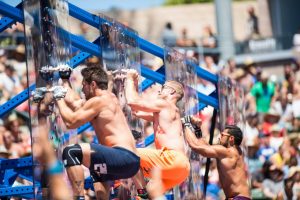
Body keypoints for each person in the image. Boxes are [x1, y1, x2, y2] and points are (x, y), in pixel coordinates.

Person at [53, 65, 141, 199]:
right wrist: (65, 80)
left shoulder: (99, 101)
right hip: (130, 163)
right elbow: (75, 103)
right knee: (95, 167)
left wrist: (58, 98)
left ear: (92, 84)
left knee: (71, 152)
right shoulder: (107, 98)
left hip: (122, 157)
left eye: (84, 85)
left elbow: (70, 122)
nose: (82, 89)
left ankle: (79, 197)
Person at [124, 69, 190, 194]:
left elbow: (132, 102)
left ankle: (140, 194)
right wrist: (135, 84)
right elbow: (136, 111)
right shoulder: (166, 111)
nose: (160, 90)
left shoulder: (164, 104)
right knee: (152, 194)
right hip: (182, 169)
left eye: (163, 87)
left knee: (127, 153)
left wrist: (129, 79)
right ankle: (143, 194)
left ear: (171, 91)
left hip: (172, 159)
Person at [183, 116, 250, 199]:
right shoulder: (233, 151)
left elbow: (195, 146)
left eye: (222, 135)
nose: (219, 137)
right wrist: (197, 129)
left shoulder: (228, 152)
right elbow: (205, 146)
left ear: (231, 138)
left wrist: (185, 123)